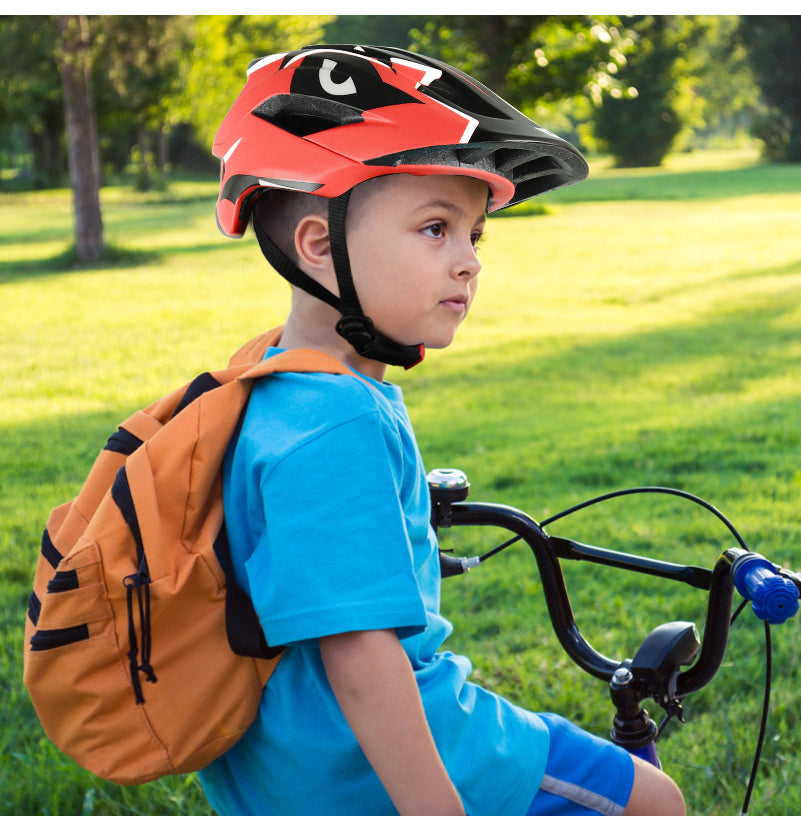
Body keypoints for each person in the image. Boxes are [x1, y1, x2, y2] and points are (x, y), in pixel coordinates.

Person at [199, 44, 685, 816]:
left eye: (474, 235)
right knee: (652, 801)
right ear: (320, 247)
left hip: (288, 756)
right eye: (435, 229)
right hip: (371, 761)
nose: (468, 263)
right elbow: (361, 658)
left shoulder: (278, 375)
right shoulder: (339, 419)